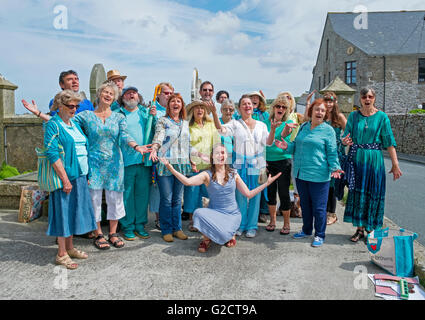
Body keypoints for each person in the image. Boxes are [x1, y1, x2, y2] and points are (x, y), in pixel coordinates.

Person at [159, 144, 281, 252]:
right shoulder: (207, 174)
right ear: (212, 157)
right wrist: (170, 168)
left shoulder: (233, 173)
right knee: (198, 213)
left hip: (232, 215)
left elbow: (248, 194)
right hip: (214, 213)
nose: (220, 155)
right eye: (217, 153)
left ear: (226, 156)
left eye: (223, 153)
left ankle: (230, 234)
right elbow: (187, 182)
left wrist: (267, 184)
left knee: (223, 235)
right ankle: (206, 240)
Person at [72, 82, 151, 250]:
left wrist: (136, 146)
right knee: (94, 201)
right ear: (99, 94)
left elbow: (124, 136)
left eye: (111, 93)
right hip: (94, 163)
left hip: (115, 163)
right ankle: (99, 234)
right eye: (105, 92)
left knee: (115, 199)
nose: (108, 95)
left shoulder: (118, 117)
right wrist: (40, 114)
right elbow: (66, 122)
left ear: (114, 98)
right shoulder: (85, 115)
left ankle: (113, 233)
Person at [275, 98, 343, 247]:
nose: (319, 112)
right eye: (317, 109)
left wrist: (335, 167)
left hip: (319, 175)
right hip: (301, 174)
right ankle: (306, 230)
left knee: (319, 208)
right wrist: (286, 146)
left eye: (323, 111)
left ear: (325, 114)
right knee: (305, 205)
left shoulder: (328, 130)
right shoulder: (304, 126)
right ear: (311, 111)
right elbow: (296, 146)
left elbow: (332, 152)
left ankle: (319, 234)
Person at [44, 90, 97, 269]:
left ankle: (70, 247)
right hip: (65, 177)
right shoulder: (54, 124)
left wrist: (86, 175)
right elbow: (52, 154)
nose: (74, 109)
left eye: (76, 106)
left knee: (73, 212)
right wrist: (65, 179)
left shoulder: (73, 123)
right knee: (63, 214)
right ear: (60, 106)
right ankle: (61, 253)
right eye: (70, 106)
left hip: (80, 175)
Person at [341, 87, 402, 242]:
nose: (367, 99)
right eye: (364, 97)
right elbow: (345, 136)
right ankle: (359, 229)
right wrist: (344, 141)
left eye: (370, 96)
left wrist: (395, 164)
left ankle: (371, 229)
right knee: (358, 193)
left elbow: (389, 142)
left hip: (375, 161)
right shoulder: (354, 117)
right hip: (357, 159)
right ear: (360, 99)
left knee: (373, 192)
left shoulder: (382, 117)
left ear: (374, 98)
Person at [209, 95, 275, 238]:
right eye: (244, 104)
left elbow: (269, 142)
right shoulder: (235, 123)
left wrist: (274, 128)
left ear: (253, 107)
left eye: (249, 104)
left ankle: (252, 226)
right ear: (239, 108)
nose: (247, 106)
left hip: (257, 163)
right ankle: (240, 225)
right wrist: (214, 113)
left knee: (255, 195)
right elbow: (220, 129)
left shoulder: (261, 125)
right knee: (240, 196)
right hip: (238, 164)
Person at [149, 93, 192, 243]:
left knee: (177, 199)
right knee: (166, 199)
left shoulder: (185, 123)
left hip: (181, 164)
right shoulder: (163, 120)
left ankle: (177, 228)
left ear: (182, 105)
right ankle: (166, 229)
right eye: (172, 101)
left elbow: (188, 143)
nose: (175, 104)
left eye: (178, 101)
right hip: (166, 163)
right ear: (168, 105)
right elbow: (158, 136)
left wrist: (193, 160)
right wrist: (154, 149)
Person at [117, 86, 157, 241]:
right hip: (125, 161)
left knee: (142, 195)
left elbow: (155, 131)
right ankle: (127, 226)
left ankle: (140, 225)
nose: (131, 95)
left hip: (144, 161)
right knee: (127, 195)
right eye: (128, 93)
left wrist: (153, 117)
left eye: (134, 93)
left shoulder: (145, 113)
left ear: (138, 96)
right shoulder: (118, 114)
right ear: (123, 97)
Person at [182, 100, 220, 231]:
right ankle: (193, 220)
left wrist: (215, 161)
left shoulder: (210, 125)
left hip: (209, 165)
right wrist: (191, 159)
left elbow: (216, 142)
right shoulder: (188, 126)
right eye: (197, 108)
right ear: (192, 111)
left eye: (202, 108)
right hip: (194, 165)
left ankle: (208, 219)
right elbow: (186, 145)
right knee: (193, 194)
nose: (199, 110)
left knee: (209, 193)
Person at [263, 95, 294, 235]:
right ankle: (273, 221)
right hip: (268, 161)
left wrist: (281, 129)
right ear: (273, 107)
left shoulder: (288, 122)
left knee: (283, 192)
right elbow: (264, 142)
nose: (280, 108)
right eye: (278, 106)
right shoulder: (265, 122)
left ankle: (286, 224)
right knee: (271, 192)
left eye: (284, 107)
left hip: (283, 162)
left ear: (287, 110)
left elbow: (284, 133)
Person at [149, 82, 175, 229]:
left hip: (174, 155)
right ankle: (159, 218)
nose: (169, 96)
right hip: (159, 154)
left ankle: (169, 216)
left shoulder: (174, 111)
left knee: (172, 189)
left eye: (171, 93)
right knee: (158, 188)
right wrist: (151, 117)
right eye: (166, 93)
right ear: (158, 95)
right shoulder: (153, 110)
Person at [280, 91, 304, 218]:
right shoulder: (279, 115)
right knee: (283, 181)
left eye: (289, 98)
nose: (286, 100)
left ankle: (297, 207)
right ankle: (284, 206)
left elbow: (308, 119)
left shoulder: (296, 116)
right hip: (281, 152)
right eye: (284, 98)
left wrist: (308, 103)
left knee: (295, 180)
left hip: (294, 151)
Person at [248, 91, 270, 223]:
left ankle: (263, 211)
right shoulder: (242, 115)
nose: (254, 99)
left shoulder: (265, 115)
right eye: (252, 98)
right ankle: (249, 211)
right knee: (248, 184)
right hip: (246, 154)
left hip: (261, 154)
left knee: (262, 183)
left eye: (256, 98)